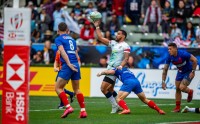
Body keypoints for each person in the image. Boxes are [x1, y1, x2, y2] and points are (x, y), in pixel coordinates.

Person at [93, 20, 130, 113]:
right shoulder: (113, 43)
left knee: (103, 88)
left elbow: (126, 59)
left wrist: (120, 66)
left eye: (119, 34)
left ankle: (115, 106)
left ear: (123, 36)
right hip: (110, 67)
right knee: (110, 89)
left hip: (115, 69)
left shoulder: (125, 45)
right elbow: (100, 38)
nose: (116, 35)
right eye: (117, 33)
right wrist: (97, 26)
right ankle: (120, 104)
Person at [97, 67, 165, 115]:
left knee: (118, 98)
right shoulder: (127, 69)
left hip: (128, 82)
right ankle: (159, 110)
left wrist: (100, 73)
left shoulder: (116, 68)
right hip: (136, 82)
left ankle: (126, 109)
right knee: (144, 99)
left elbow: (109, 71)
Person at [55, 22, 87, 118]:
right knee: (77, 89)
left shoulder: (58, 39)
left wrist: (69, 64)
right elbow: (75, 53)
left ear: (58, 30)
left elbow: (63, 51)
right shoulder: (72, 39)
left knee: (58, 88)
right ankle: (83, 111)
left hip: (68, 65)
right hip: (76, 64)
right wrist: (77, 64)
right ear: (67, 30)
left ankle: (68, 107)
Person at [162, 43, 197, 112]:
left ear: (175, 49)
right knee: (177, 89)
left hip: (188, 71)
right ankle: (177, 108)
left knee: (182, 87)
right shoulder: (169, 57)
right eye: (168, 49)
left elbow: (195, 60)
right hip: (180, 72)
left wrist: (193, 71)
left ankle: (190, 92)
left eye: (170, 49)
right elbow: (165, 69)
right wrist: (163, 81)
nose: (169, 50)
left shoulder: (183, 54)